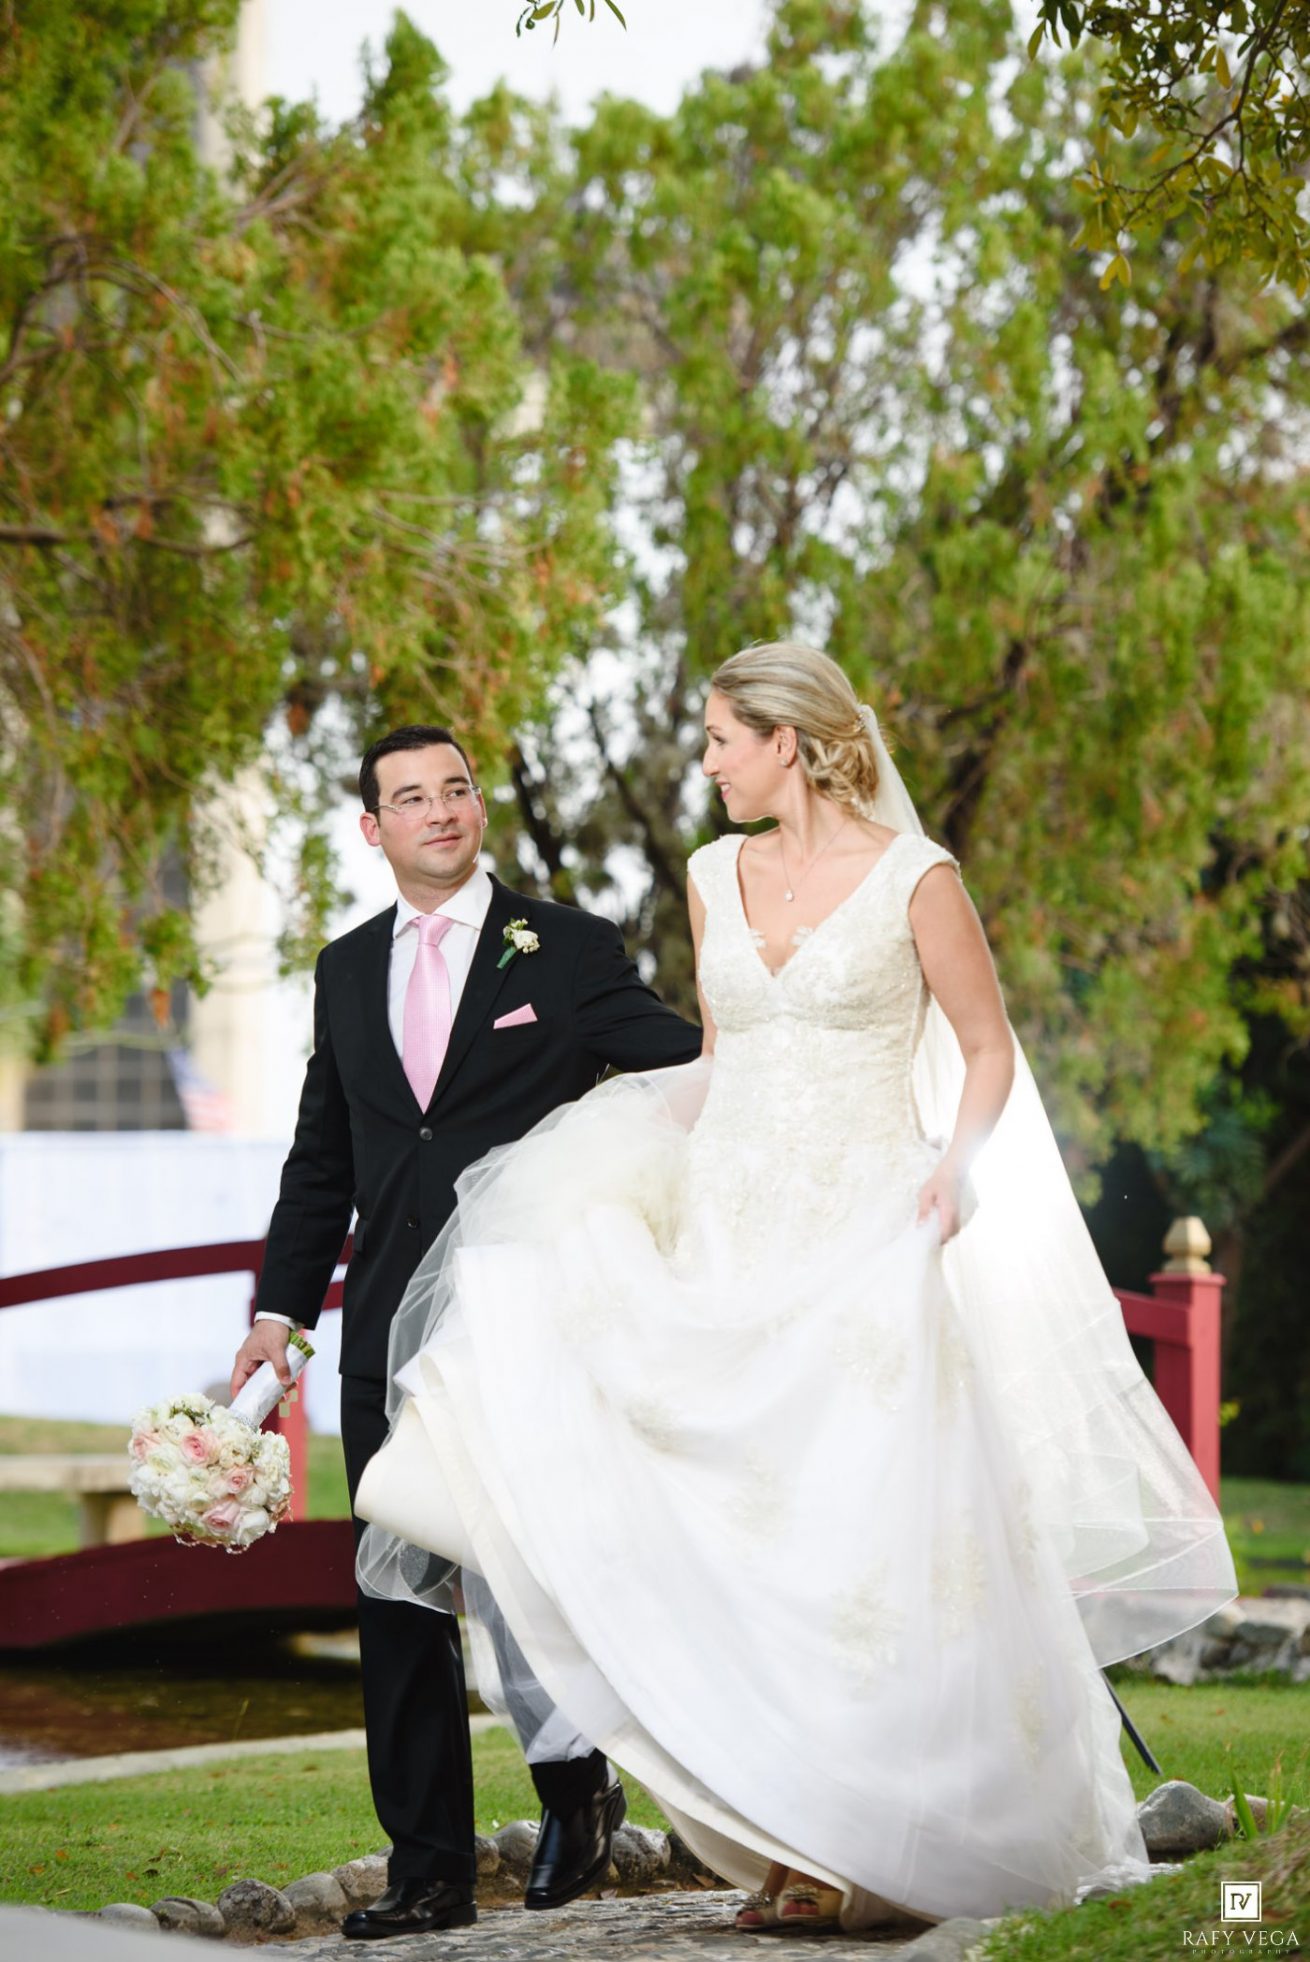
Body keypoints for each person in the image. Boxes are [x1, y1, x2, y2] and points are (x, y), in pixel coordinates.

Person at [355, 647, 1238, 1934]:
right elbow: (722, 1058)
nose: (706, 762)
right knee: (747, 1537)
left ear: (788, 741)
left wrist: (954, 1172)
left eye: (721, 737)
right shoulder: (711, 874)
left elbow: (985, 1048)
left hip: (869, 1228)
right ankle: (785, 1833)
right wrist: (589, 1165)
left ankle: (866, 1841)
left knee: (854, 1535)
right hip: (734, 1224)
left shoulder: (916, 879)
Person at [230, 723, 701, 1941]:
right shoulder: (343, 970)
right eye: (410, 797)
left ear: (477, 807)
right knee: (396, 1596)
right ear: (371, 827)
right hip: (384, 1328)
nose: (439, 810)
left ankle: (575, 1788)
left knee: (531, 1574)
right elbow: (322, 1160)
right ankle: (427, 1870)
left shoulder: (566, 948)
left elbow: (684, 1076)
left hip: (524, 1321)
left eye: (455, 789)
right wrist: (277, 1313)